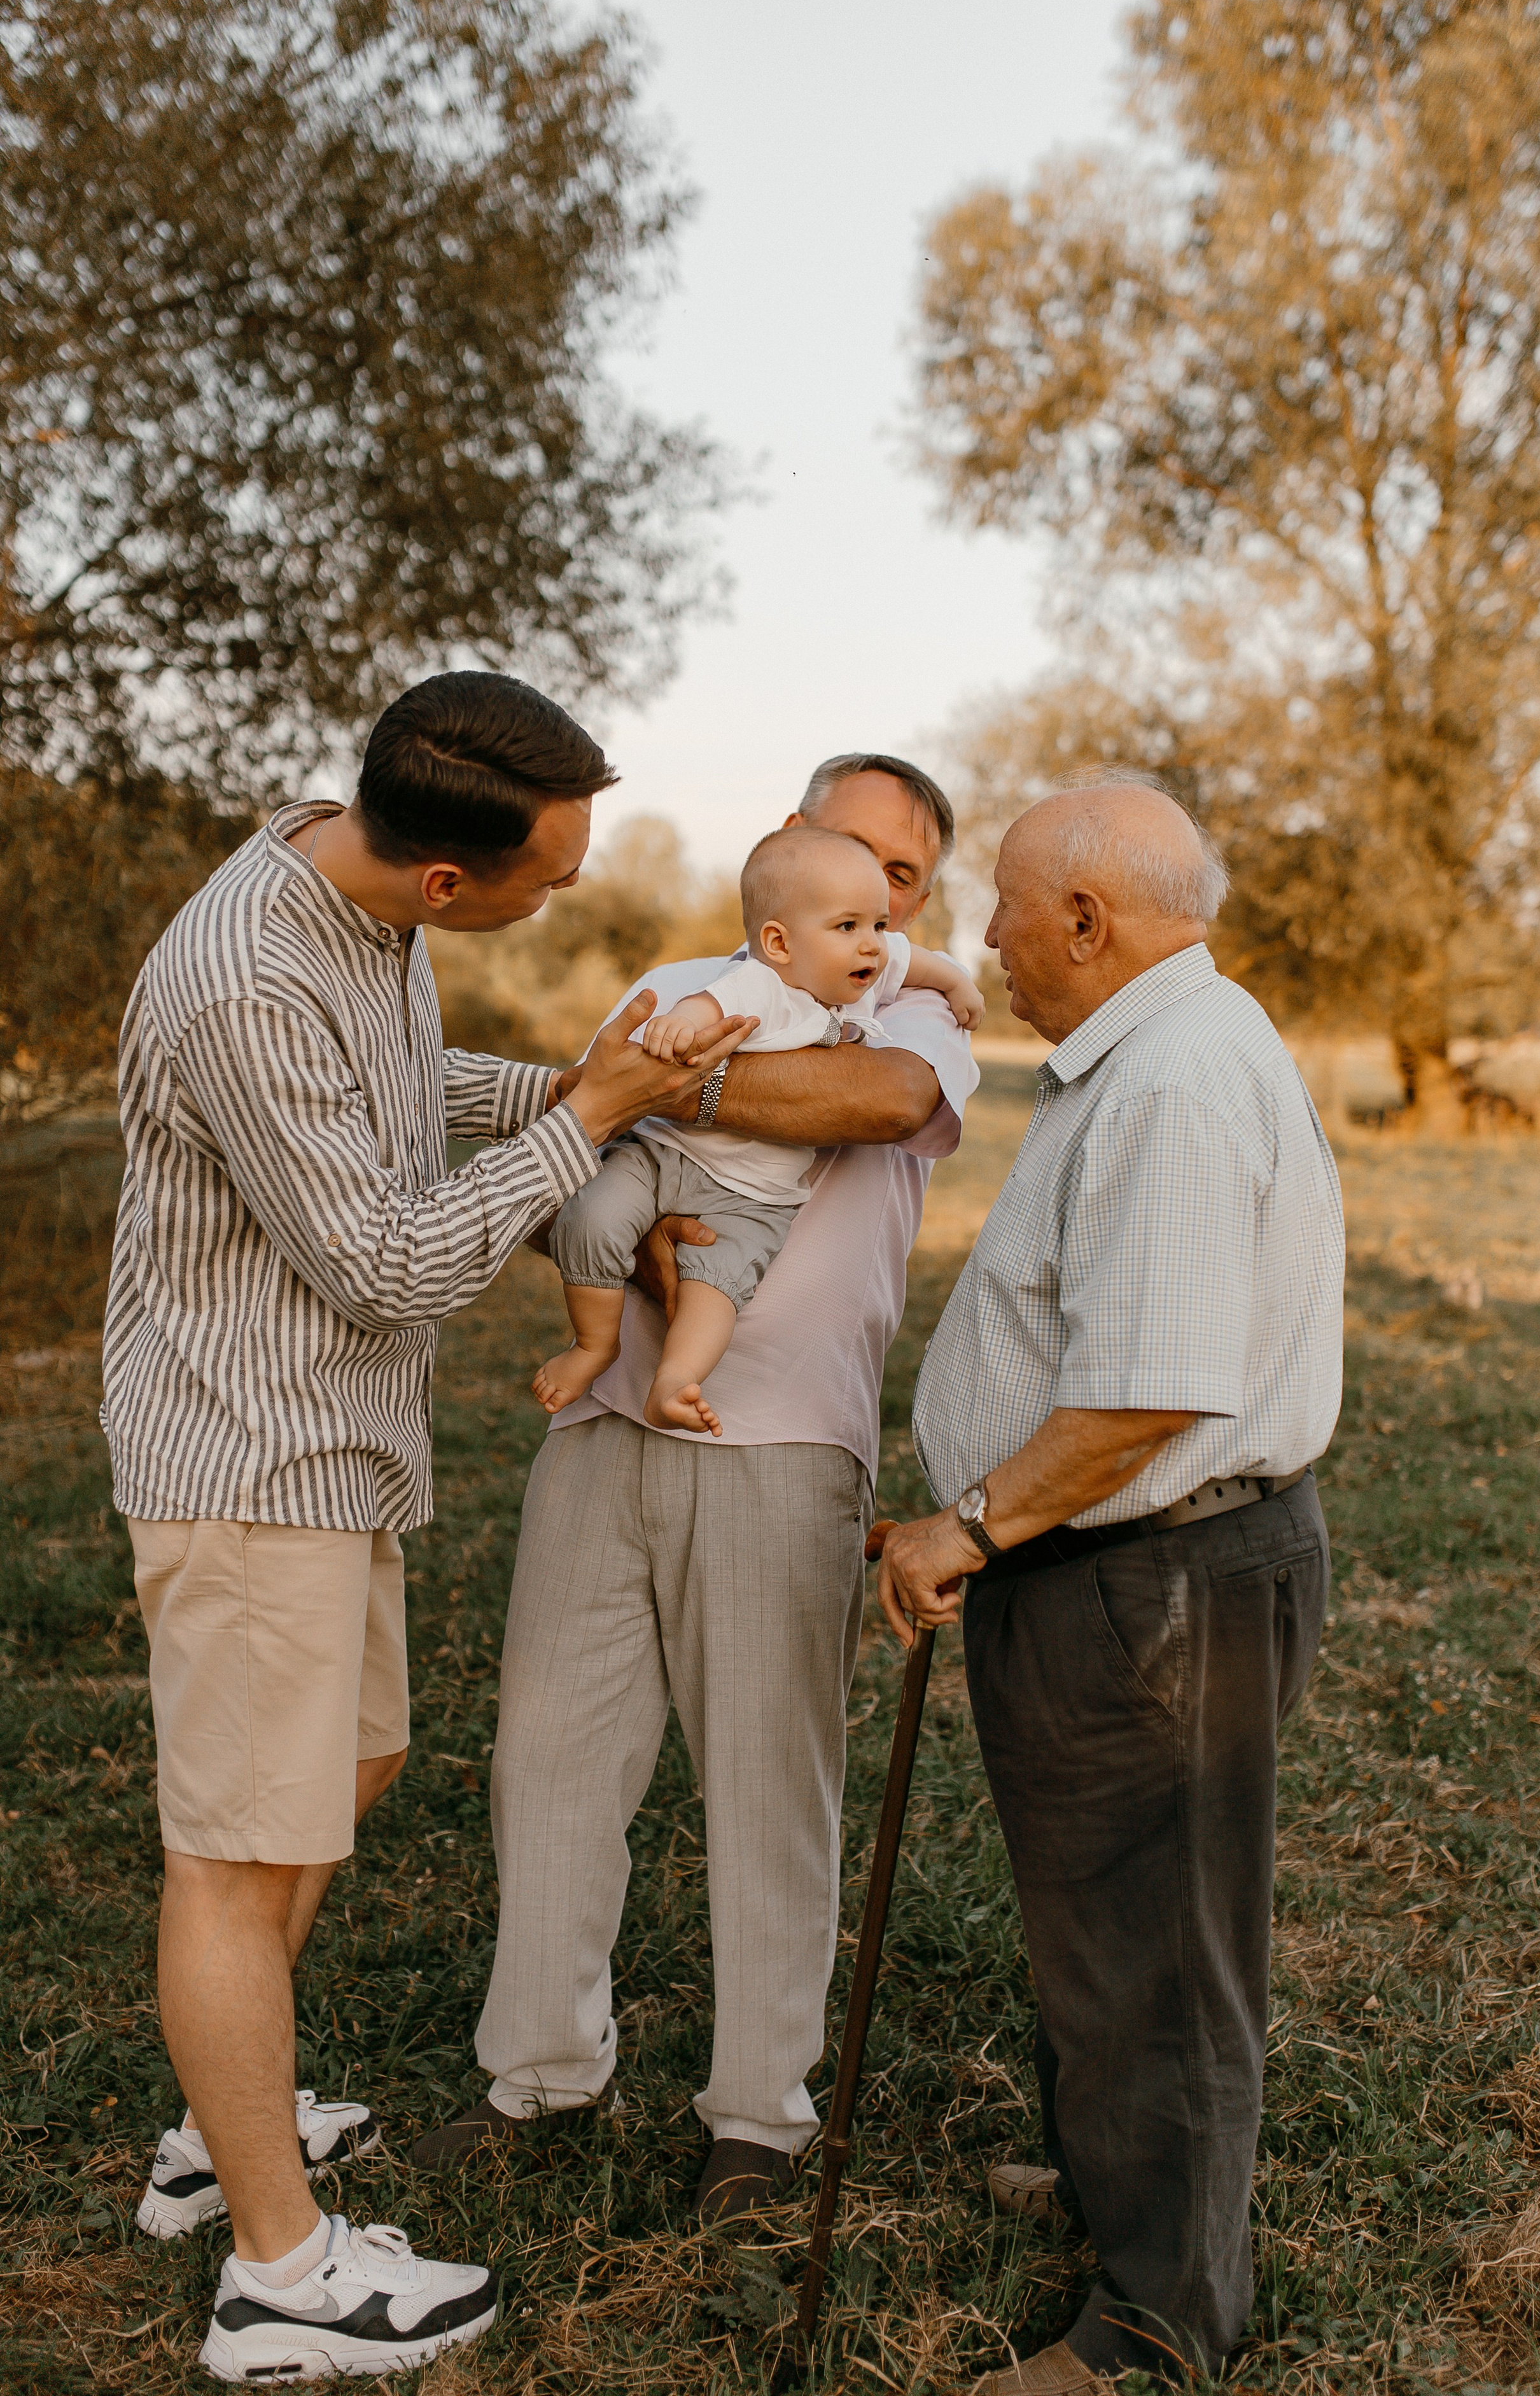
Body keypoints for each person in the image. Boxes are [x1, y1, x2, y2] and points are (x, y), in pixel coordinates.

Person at [104, 671, 749, 2384]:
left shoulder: (359, 902)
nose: (565, 890)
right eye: (549, 876)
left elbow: (402, 1084)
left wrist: (582, 1075)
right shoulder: (246, 974)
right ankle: (276, 2279)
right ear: (445, 878)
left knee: (340, 1783)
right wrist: (591, 1124)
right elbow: (389, 1260)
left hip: (327, 1451)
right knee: (241, 1859)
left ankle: (213, 2135)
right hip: (246, 1459)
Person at [410, 753, 979, 2223]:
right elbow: (575, 1156)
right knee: (546, 1759)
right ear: (782, 856)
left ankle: (759, 2116)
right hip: (605, 1424)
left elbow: (865, 1096)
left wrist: (677, 1075)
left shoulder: (914, 1013)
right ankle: (533, 2072)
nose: (870, 898)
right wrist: (626, 1175)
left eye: (899, 877)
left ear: (921, 899)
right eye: (841, 857)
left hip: (783, 1442)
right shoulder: (690, 969)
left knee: (764, 1782)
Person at [879, 773, 1344, 2393]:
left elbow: (1147, 1386)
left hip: (1144, 1579)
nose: (982, 936)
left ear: (1085, 916)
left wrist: (969, 1524)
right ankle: (1116, 2185)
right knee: (1101, 1923)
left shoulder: (1173, 1080)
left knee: (1158, 1951)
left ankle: (1153, 2328)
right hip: (1114, 1570)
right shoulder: (1147, 1050)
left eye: (997, 907)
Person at [535, 823, 981, 1434]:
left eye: (880, 924)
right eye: (849, 926)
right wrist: (680, 1027)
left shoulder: (866, 966)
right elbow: (706, 1007)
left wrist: (958, 984)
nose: (874, 946)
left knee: (715, 1289)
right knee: (594, 1216)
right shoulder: (763, 984)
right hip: (667, 1155)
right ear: (778, 941)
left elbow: (915, 961)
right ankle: (593, 1345)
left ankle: (675, 1381)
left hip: (756, 1195)